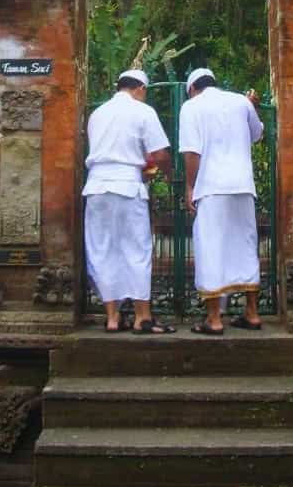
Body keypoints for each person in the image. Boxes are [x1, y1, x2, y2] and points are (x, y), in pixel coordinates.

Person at [83, 68, 176, 335]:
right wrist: (169, 175)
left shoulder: (97, 114)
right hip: (127, 186)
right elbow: (159, 154)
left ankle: (112, 318)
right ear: (140, 89)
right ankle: (142, 317)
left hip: (97, 187)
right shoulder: (142, 111)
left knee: (102, 249)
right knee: (137, 249)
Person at [179, 68, 265, 335]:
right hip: (242, 186)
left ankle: (214, 319)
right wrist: (252, 108)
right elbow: (257, 134)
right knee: (246, 244)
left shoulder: (191, 107)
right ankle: (252, 313)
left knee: (211, 247)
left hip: (211, 187)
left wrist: (191, 185)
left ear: (192, 88)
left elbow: (192, 152)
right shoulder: (241, 102)